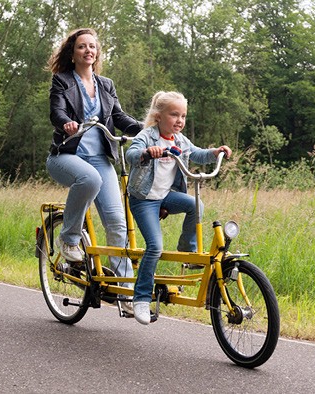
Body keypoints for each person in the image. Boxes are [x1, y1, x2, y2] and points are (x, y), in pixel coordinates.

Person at [46, 28, 142, 312]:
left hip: (101, 158)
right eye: (81, 47)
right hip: (67, 154)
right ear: (72, 53)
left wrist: (144, 130)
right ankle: (69, 238)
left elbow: (119, 116)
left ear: (97, 53)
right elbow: (57, 111)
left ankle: (125, 292)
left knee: (117, 223)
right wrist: (66, 123)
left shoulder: (106, 84)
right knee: (89, 179)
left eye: (92, 47)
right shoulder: (62, 81)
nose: (88, 50)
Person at [125, 91, 232, 325]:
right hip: (143, 199)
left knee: (196, 205)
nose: (180, 120)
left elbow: (197, 154)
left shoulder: (180, 141)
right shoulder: (148, 136)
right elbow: (131, 153)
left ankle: (187, 251)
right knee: (155, 246)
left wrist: (215, 153)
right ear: (158, 116)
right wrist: (146, 153)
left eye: (183, 116)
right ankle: (141, 299)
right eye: (174, 115)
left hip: (165, 197)